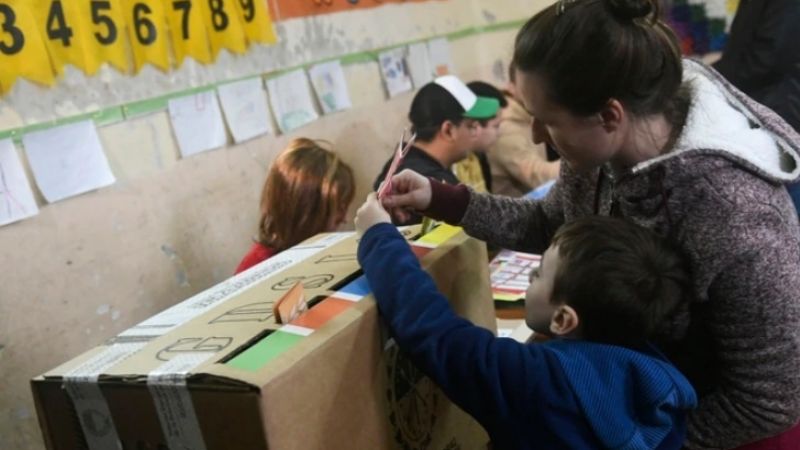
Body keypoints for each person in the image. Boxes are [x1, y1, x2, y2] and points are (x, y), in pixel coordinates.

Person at [378, 0, 800, 448]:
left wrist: (632, 439)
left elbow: (770, 399)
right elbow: (551, 222)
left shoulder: (734, 214)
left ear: (609, 115)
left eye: (549, 121)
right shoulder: (595, 153)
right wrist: (442, 198)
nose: (538, 135)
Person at [355, 203, 697, 449]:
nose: (530, 278)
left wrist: (378, 237)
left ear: (563, 320)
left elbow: (435, 333)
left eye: (538, 274)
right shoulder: (660, 381)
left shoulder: (537, 380)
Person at [712, 0, 800, 217]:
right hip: (759, 106)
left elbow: (768, 58)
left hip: (772, 110)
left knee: (773, 207)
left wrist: (710, 77)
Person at [373, 75, 499, 224]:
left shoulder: (400, 164)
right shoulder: (435, 183)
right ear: (448, 130)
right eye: (471, 126)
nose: (476, 134)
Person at [235, 138, 355, 274]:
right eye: (339, 208)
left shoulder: (320, 251)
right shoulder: (255, 271)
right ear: (307, 214)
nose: (344, 219)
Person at [487, 63, 560, 197]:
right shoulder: (505, 128)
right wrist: (580, 162)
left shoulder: (528, 114)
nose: (537, 90)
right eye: (527, 83)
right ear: (511, 87)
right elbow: (538, 176)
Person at [452, 81, 508, 193]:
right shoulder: (453, 167)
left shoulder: (477, 158)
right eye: (496, 126)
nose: (499, 133)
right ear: (475, 125)